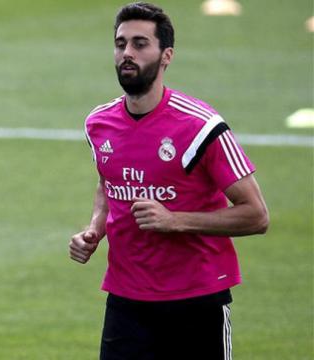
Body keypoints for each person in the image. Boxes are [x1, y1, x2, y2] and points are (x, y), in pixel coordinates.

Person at [68, 3, 269, 360]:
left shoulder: (202, 127)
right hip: (126, 303)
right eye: (121, 43)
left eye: (140, 43)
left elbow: (256, 215)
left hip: (196, 303)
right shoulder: (98, 124)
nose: (127, 53)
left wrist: (175, 220)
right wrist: (94, 229)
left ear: (166, 55)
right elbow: (108, 181)